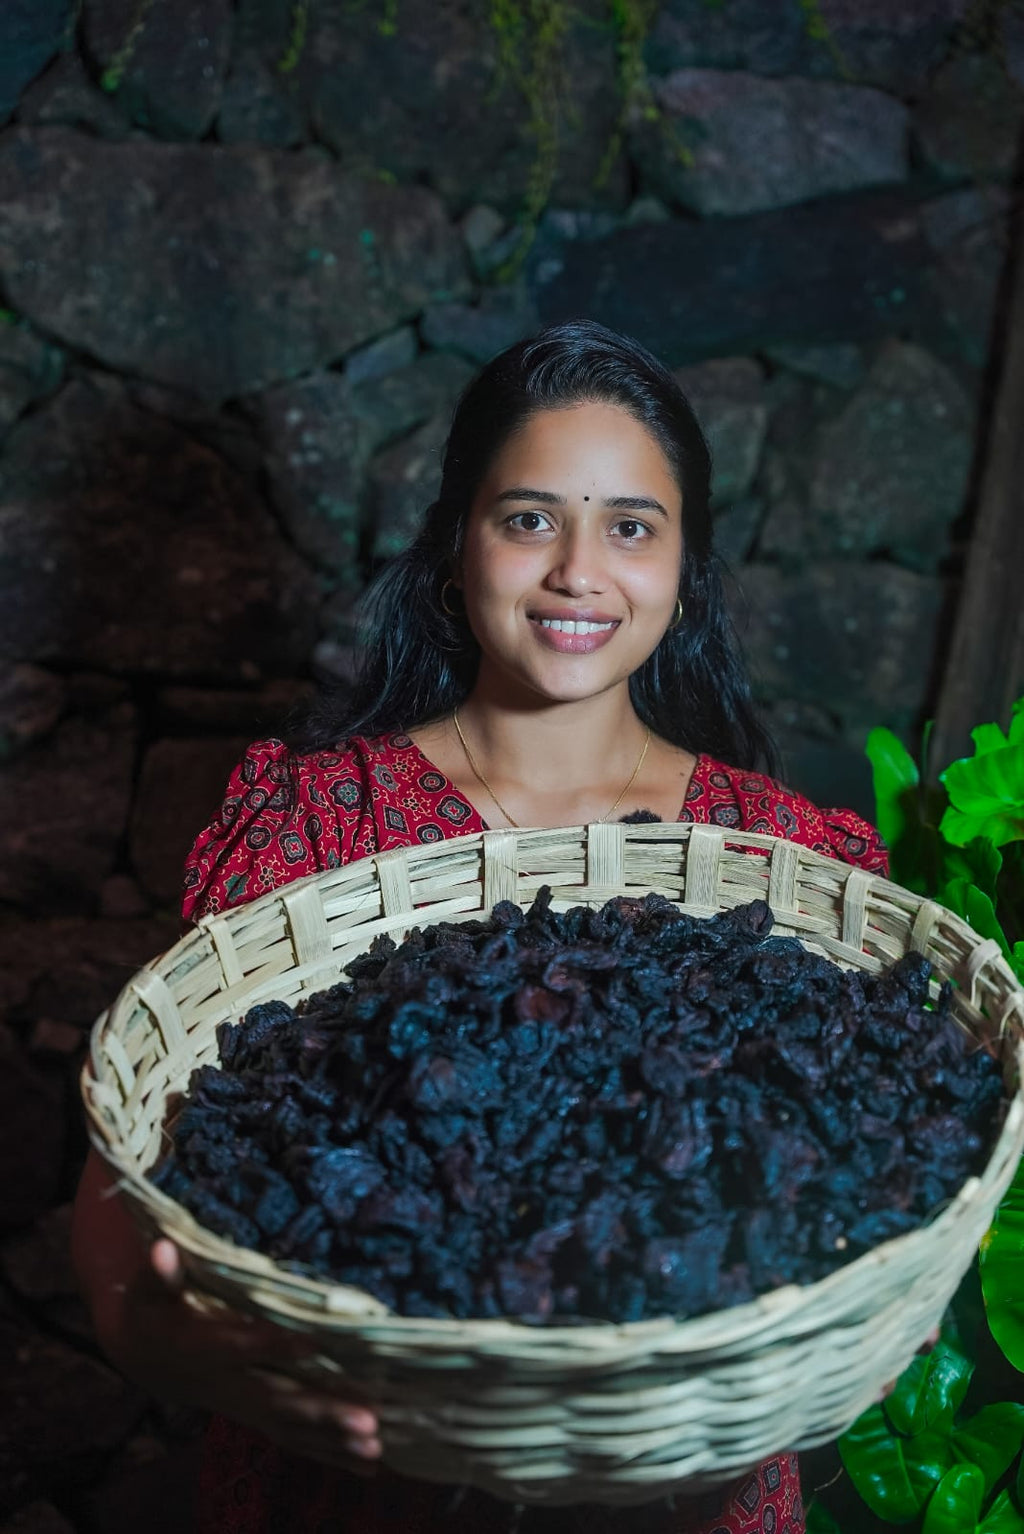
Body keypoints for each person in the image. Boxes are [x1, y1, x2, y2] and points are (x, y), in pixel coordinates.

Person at [73, 320, 888, 1533]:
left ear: (685, 568)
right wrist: (200, 1366)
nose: (576, 569)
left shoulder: (778, 860)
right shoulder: (322, 827)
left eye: (629, 525)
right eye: (527, 518)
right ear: (457, 550)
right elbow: (124, 1206)